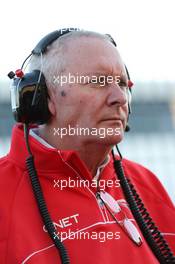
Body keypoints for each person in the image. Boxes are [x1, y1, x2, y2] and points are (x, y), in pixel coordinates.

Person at [0, 29, 175, 264]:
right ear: (42, 98)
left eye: (122, 84)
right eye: (97, 82)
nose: (120, 98)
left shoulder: (145, 183)